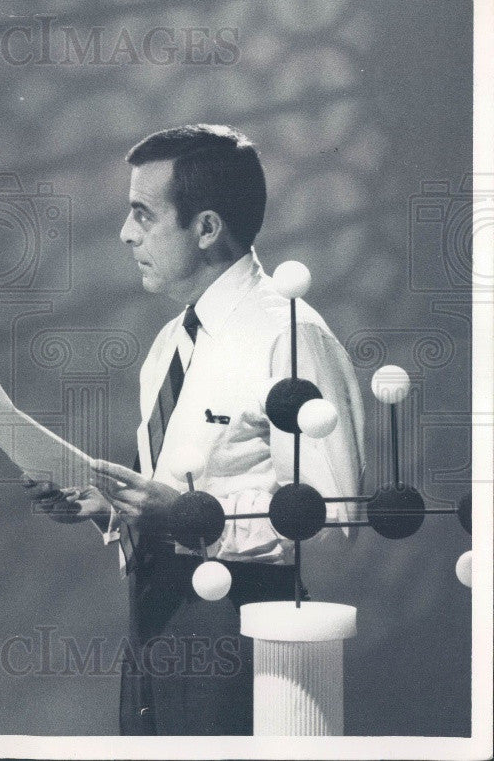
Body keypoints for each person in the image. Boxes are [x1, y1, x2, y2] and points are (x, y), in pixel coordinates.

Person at [24, 124, 364, 735]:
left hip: (241, 622)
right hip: (156, 611)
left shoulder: (288, 332)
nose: (126, 235)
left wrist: (188, 513)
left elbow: (334, 510)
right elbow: (174, 496)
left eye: (143, 216)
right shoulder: (170, 344)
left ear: (206, 228)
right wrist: (108, 505)